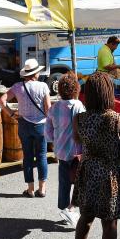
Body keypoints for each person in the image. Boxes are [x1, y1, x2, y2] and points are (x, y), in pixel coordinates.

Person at [70, 72, 120, 239]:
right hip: (112, 174)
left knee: (85, 217)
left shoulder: (79, 119)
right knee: (109, 222)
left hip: (88, 170)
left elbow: (78, 139)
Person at [0, 59, 51, 198]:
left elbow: (1, 101)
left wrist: (10, 113)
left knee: (27, 156)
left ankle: (30, 189)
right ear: (35, 73)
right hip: (40, 125)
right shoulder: (43, 86)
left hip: (23, 124)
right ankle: (42, 189)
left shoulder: (17, 87)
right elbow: (48, 109)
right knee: (41, 156)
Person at [45, 72, 85, 226]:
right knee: (79, 181)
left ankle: (64, 207)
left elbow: (47, 132)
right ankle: (72, 208)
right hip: (77, 152)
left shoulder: (54, 108)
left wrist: (55, 140)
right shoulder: (78, 106)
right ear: (76, 89)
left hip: (61, 152)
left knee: (64, 182)